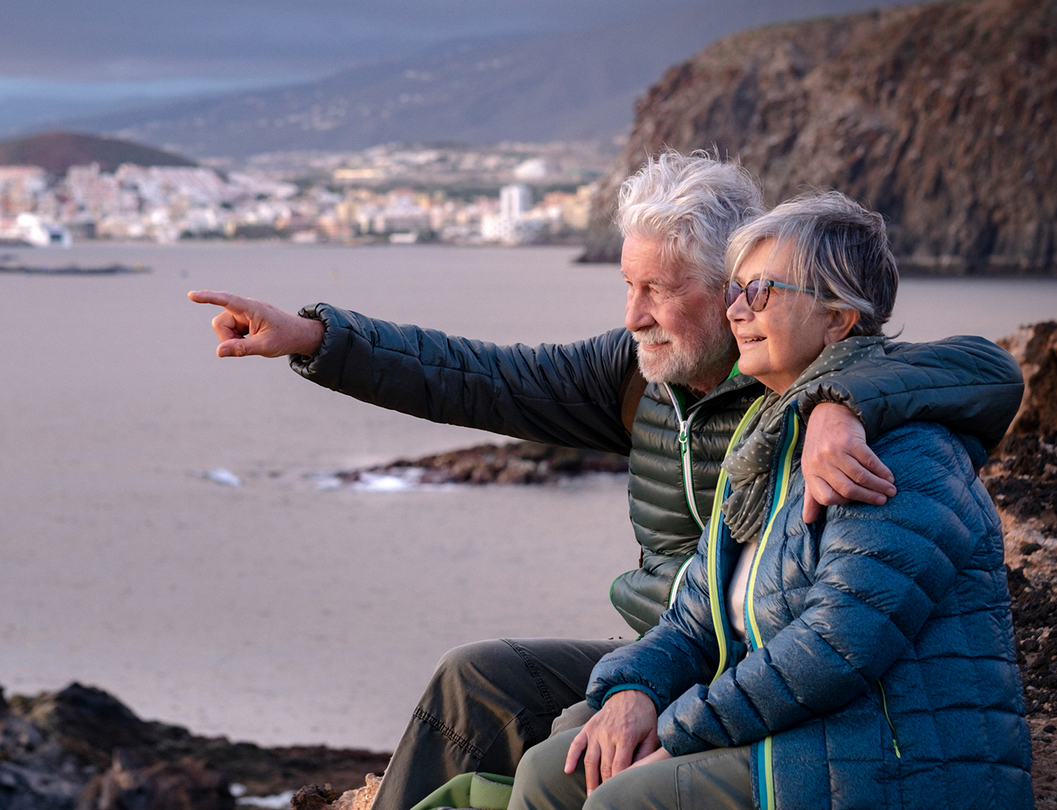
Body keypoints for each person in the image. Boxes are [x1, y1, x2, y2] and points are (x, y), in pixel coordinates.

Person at [189, 151, 1025, 810]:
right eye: (628, 285)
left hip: (763, 673)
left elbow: (981, 370)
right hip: (672, 647)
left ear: (732, 284)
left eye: (660, 289)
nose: (633, 315)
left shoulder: (817, 400)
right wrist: (311, 338)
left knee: (574, 750)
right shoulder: (636, 375)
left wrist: (843, 402)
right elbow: (477, 376)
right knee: (475, 678)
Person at [503, 190, 1032, 810]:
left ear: (838, 318)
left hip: (894, 763)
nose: (736, 312)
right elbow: (695, 619)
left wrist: (679, 729)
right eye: (734, 290)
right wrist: (634, 689)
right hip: (806, 736)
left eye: (761, 292)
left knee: (625, 797)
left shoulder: (897, 454)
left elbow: (836, 646)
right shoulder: (766, 443)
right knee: (552, 769)